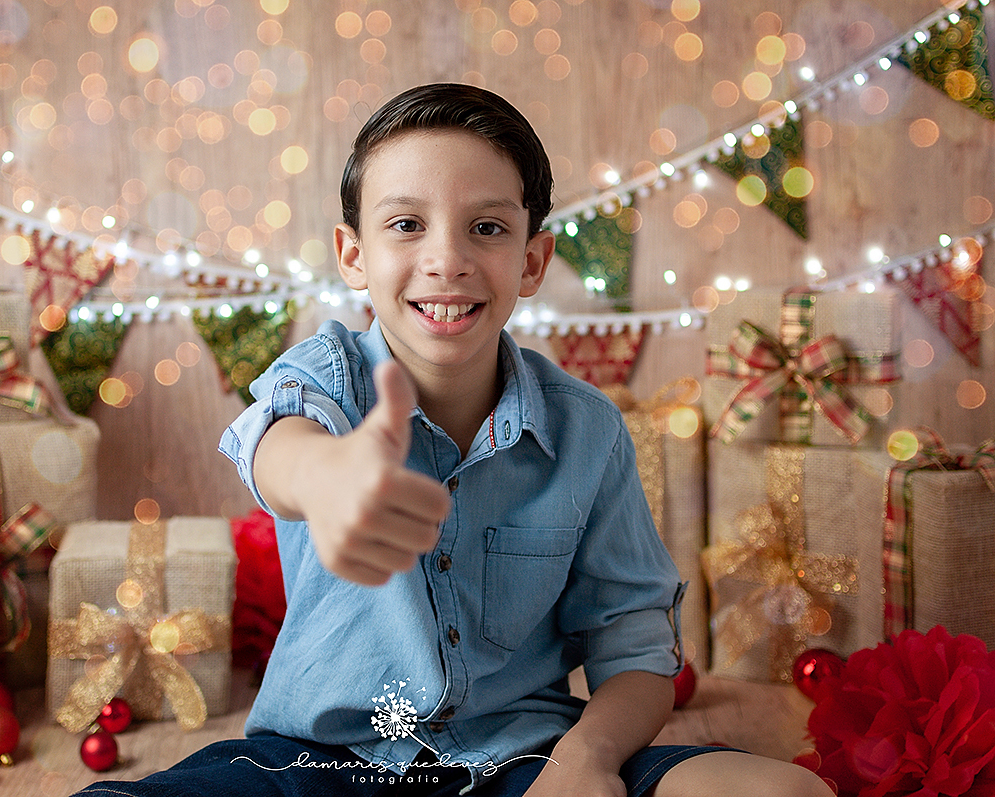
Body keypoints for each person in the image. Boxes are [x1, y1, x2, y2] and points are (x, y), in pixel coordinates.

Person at [75, 83, 832, 797]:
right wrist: (331, 478)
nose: (448, 259)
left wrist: (586, 760)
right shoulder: (328, 375)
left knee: (786, 788)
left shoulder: (587, 430)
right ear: (353, 254)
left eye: (488, 227)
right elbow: (279, 445)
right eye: (406, 224)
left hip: (525, 756)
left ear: (531, 260)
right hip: (318, 764)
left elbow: (635, 653)